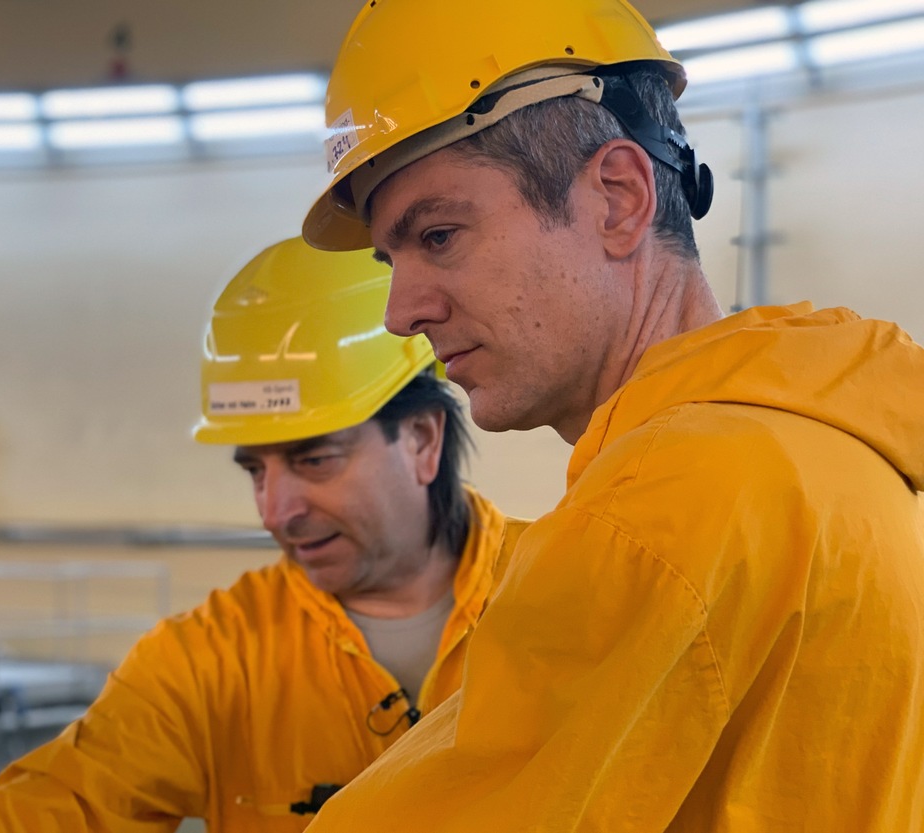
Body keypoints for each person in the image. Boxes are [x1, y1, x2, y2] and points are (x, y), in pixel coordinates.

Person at [298, 0, 924, 829]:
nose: (400, 310)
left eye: (440, 235)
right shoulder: (833, 434)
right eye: (392, 258)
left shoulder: (662, 504)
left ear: (619, 198)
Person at [0, 237, 517, 832]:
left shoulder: (561, 594)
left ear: (421, 440)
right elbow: (61, 805)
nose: (275, 511)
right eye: (255, 469)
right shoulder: (212, 661)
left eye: (314, 460)